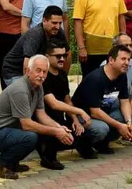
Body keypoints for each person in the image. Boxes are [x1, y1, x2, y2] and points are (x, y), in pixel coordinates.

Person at [0, 54, 74, 179]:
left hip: (7, 130)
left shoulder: (38, 87)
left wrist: (60, 127)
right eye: (38, 70)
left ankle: (12, 162)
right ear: (27, 71)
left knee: (36, 133)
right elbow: (26, 124)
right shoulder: (20, 90)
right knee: (30, 137)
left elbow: (41, 115)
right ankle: (2, 163)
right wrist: (56, 132)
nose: (41, 75)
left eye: (44, 72)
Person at [73, 43, 132, 153]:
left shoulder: (122, 75)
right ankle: (83, 143)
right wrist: (119, 126)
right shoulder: (96, 78)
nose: (127, 63)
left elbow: (124, 102)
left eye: (128, 59)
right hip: (84, 116)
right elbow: (95, 112)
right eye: (123, 59)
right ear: (111, 60)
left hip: (104, 112)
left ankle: (102, 143)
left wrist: (128, 122)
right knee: (102, 129)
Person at [36, 38, 91, 169]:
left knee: (84, 134)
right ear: (47, 57)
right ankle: (45, 153)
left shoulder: (62, 74)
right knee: (58, 136)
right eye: (58, 56)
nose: (62, 59)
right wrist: (80, 111)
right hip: (43, 120)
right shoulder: (43, 77)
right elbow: (53, 104)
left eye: (64, 55)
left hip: (60, 119)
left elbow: (67, 99)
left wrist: (75, 119)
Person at [73, 0, 127, 74]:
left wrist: (124, 40)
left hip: (112, 48)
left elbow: (121, 16)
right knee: (91, 82)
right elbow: (78, 22)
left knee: (113, 80)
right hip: (91, 50)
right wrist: (81, 47)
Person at [1, 5, 65, 85]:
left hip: (36, 70)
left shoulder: (59, 32)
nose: (58, 27)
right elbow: (27, 64)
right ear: (44, 20)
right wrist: (28, 88)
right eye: (54, 23)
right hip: (14, 71)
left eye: (60, 23)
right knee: (24, 93)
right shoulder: (35, 34)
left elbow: (67, 53)